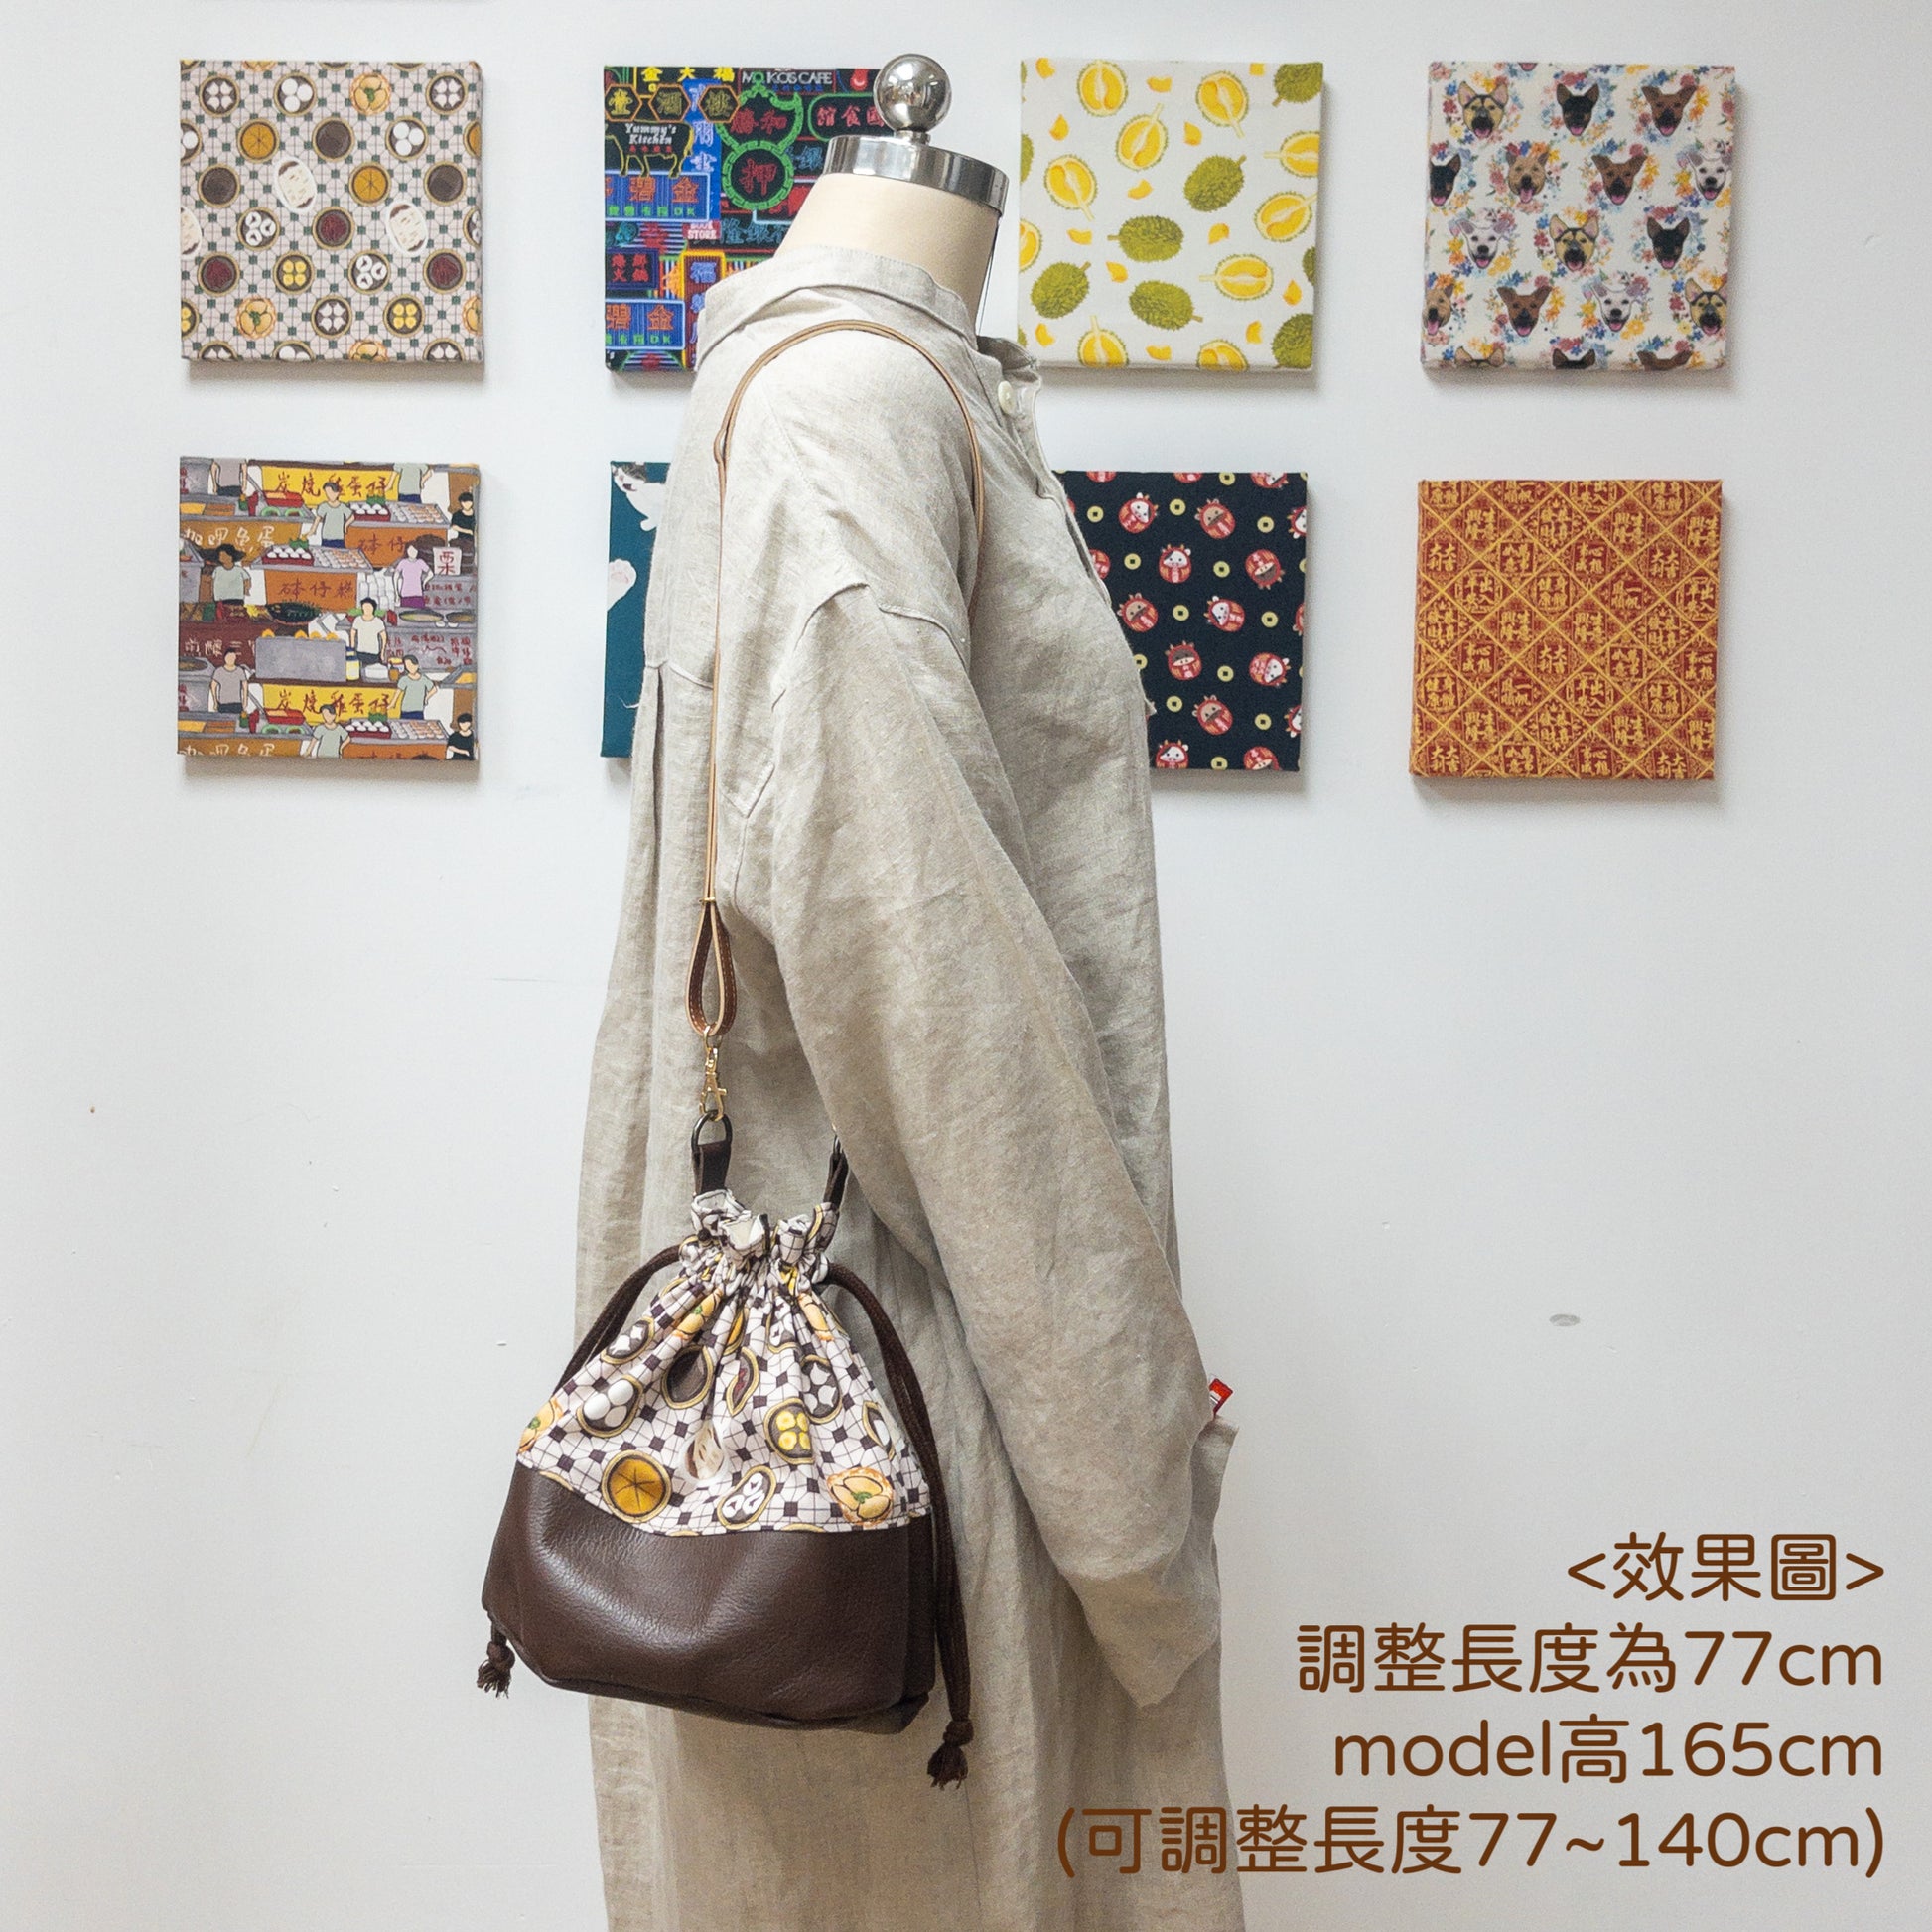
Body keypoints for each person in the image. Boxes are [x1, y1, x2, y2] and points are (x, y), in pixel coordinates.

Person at [346, 598, 388, 680]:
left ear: (373, 608)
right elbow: (353, 633)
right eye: (365, 607)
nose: (367, 609)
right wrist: (352, 647)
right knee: (359, 674)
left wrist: (382, 652)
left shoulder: (378, 621)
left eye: (369, 607)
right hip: (360, 652)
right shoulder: (358, 620)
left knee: (372, 674)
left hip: (374, 654)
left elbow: (384, 637)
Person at [207, 647, 252, 717]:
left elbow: (245, 685)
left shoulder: (240, 671)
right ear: (225, 658)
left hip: (237, 704)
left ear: (235, 658)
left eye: (233, 657)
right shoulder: (219, 671)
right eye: (229, 657)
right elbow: (213, 686)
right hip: (223, 704)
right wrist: (215, 702)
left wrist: (245, 700)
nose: (231, 659)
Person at [309, 479, 352, 549]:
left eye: (330, 493)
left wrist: (345, 526)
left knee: (339, 553)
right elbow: (317, 519)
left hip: (339, 538)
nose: (328, 496)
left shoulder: (342, 507)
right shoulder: (324, 506)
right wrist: (312, 530)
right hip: (326, 538)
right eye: (327, 493)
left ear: (337, 493)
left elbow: (352, 517)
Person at [395, 654, 437, 719]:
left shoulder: (423, 679)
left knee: (419, 724)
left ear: (417, 665)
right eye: (407, 666)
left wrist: (426, 698)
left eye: (411, 665)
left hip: (418, 710)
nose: (409, 668)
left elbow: (434, 689)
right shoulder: (404, 679)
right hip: (406, 710)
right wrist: (392, 704)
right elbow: (397, 693)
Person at [394, 543, 431, 608]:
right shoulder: (403, 562)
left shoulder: (420, 562)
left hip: (418, 595)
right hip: (406, 595)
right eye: (411, 550)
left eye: (415, 550)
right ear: (407, 551)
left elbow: (430, 573)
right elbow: (395, 576)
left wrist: (424, 582)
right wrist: (396, 593)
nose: (413, 552)